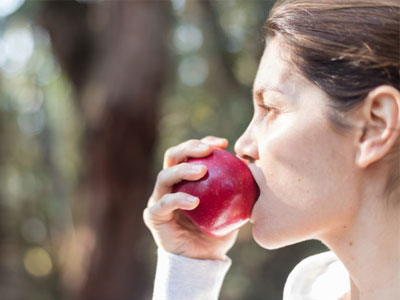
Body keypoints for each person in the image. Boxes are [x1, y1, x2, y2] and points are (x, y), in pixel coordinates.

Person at [143, 0, 400, 299]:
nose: (242, 145)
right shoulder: (312, 289)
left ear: (373, 126)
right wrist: (189, 270)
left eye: (271, 108)